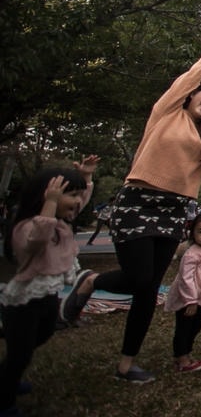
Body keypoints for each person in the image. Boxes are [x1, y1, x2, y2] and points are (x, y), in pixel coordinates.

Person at [68, 40, 201, 384]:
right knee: (139, 278)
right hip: (138, 201)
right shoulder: (167, 112)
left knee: (148, 288)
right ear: (191, 96)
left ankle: (126, 365)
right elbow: (190, 77)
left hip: (175, 209)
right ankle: (91, 281)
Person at [1, 159, 97, 411]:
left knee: (42, 335)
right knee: (20, 354)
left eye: (78, 195)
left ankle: (7, 372)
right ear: (46, 197)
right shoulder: (28, 227)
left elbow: (80, 203)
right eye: (71, 195)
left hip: (47, 296)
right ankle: (5, 397)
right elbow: (38, 239)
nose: (77, 202)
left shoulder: (62, 223)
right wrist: (51, 202)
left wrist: (85, 178)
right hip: (24, 302)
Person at [163, 210, 201, 373]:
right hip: (189, 297)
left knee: (196, 325)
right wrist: (190, 300)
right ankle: (182, 358)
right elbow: (185, 278)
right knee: (184, 326)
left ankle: (186, 353)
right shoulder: (192, 253)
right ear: (193, 233)